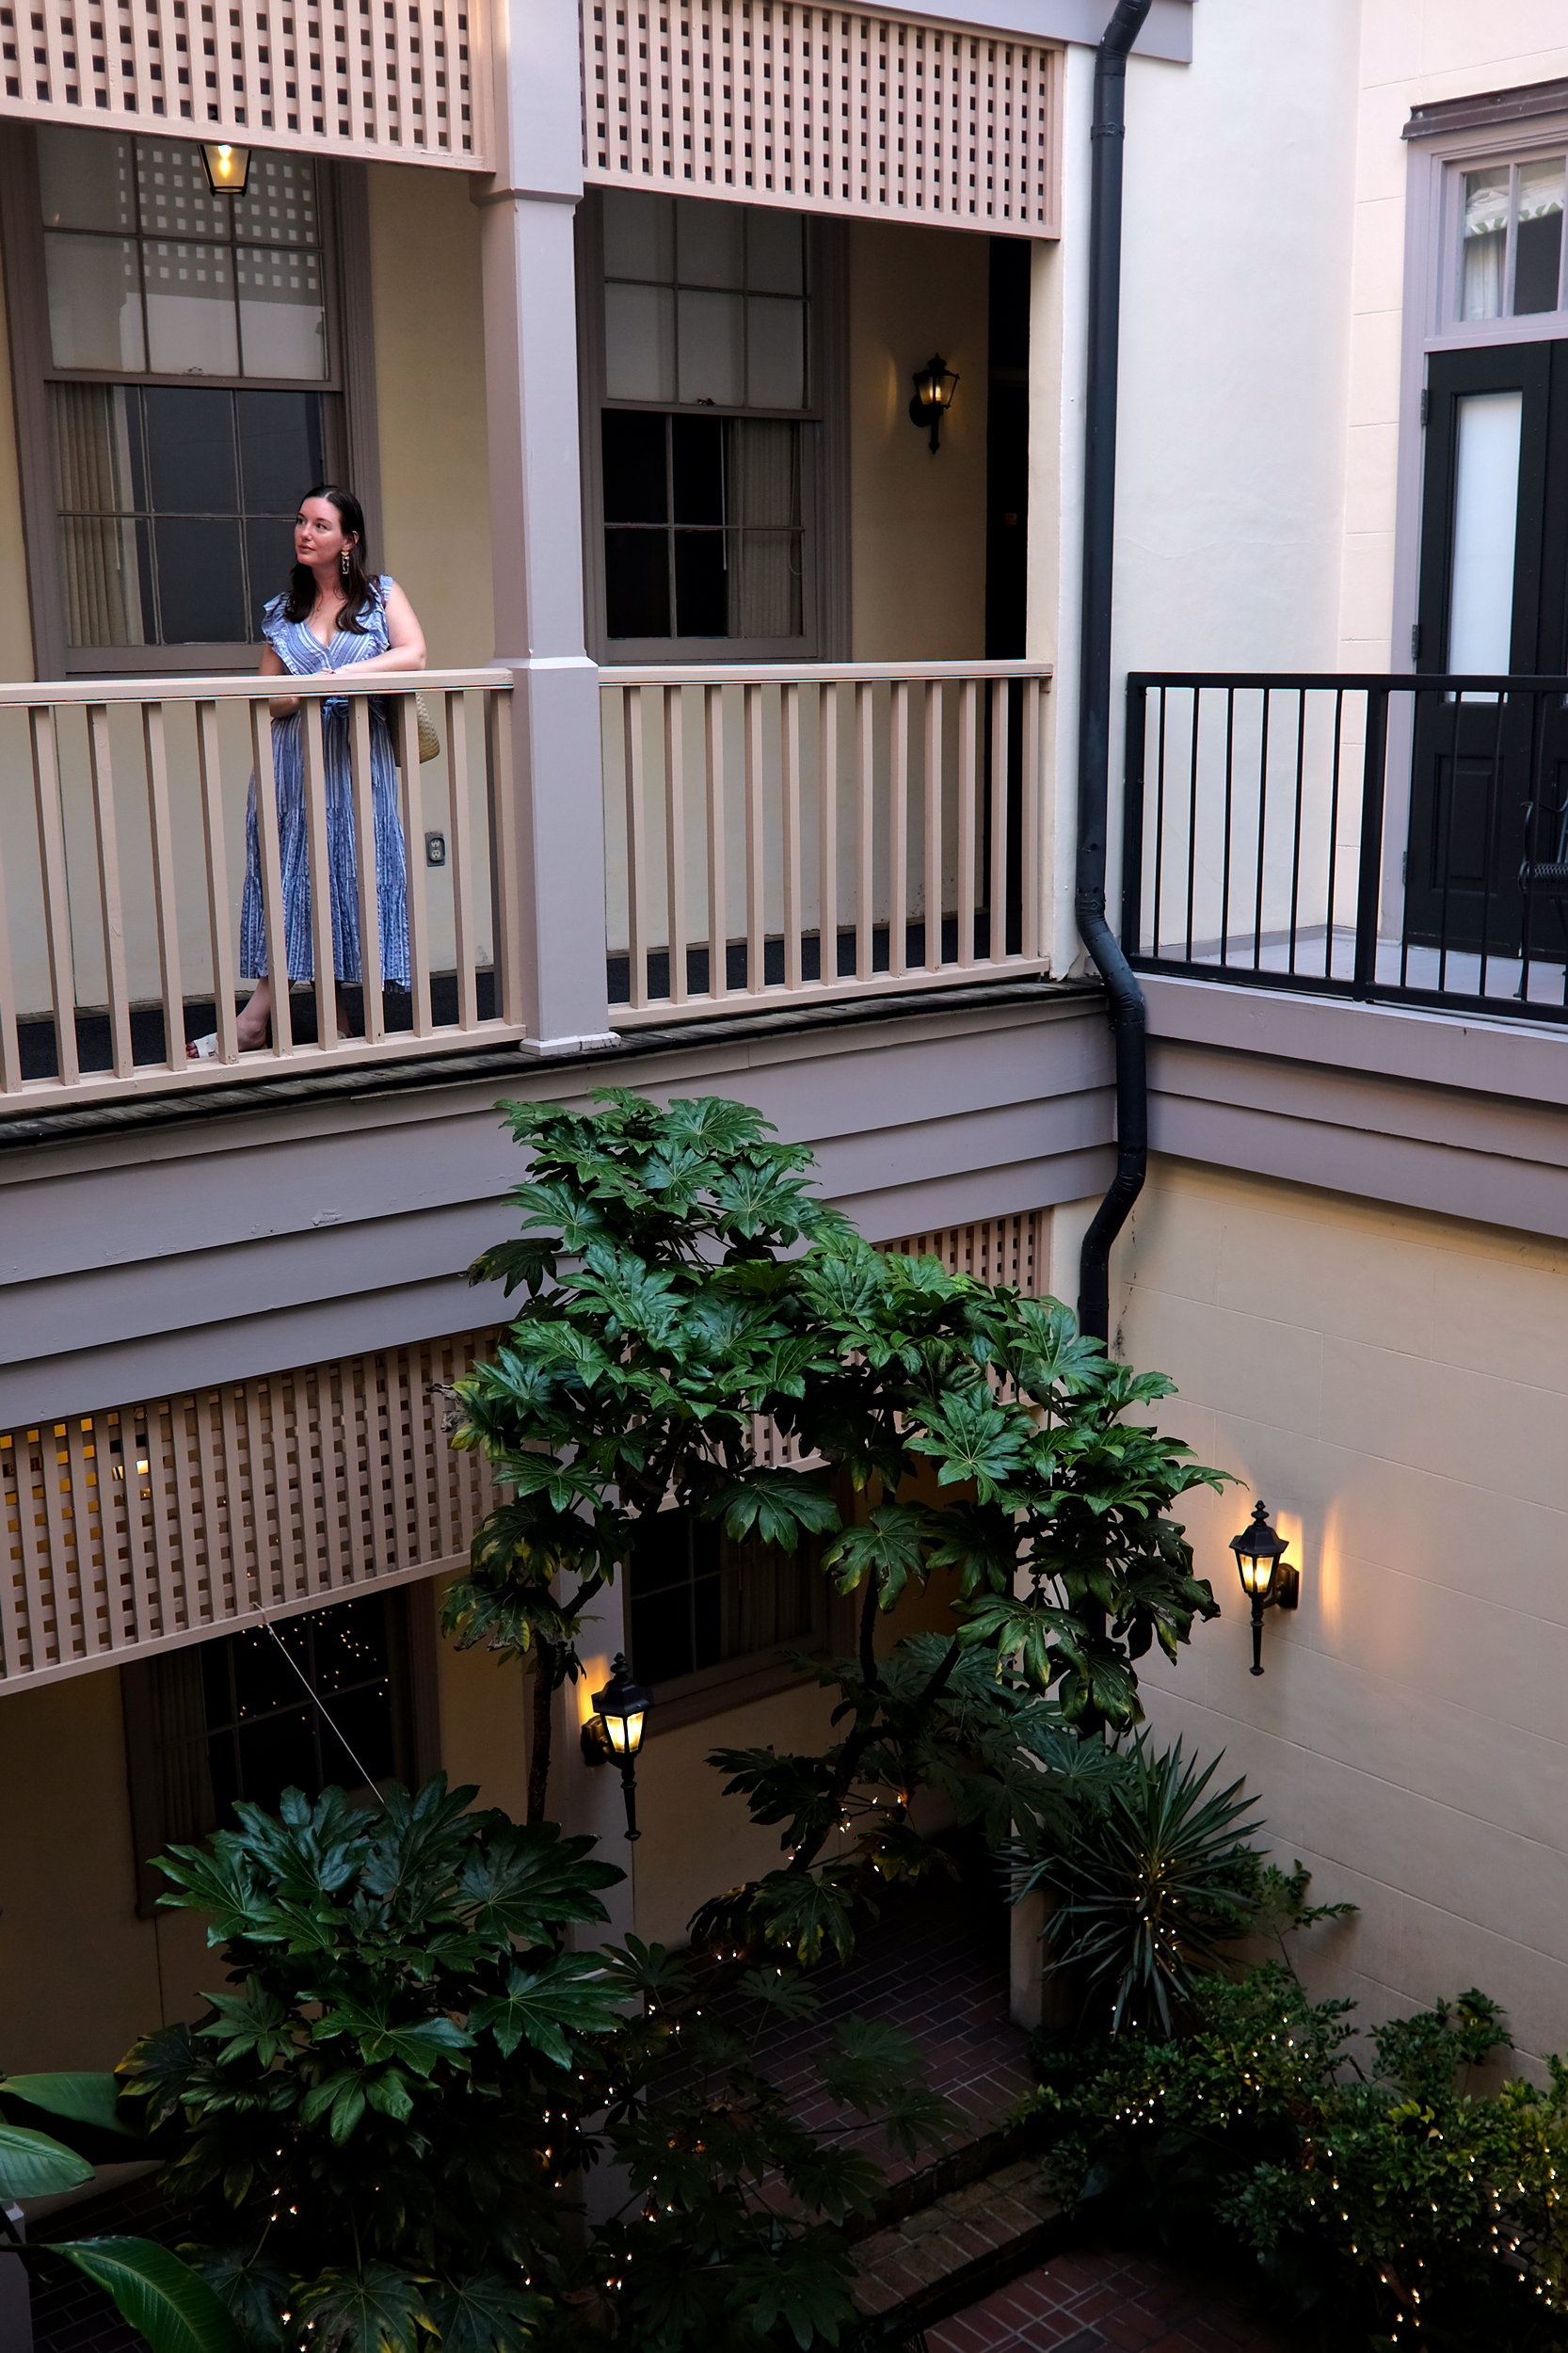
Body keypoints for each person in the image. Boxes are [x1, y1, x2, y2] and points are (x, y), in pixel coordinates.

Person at [188, 486, 426, 1057]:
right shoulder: (284, 609)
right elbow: (272, 700)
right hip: (292, 764)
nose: (305, 533)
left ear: (349, 540)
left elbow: (414, 654)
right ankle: (315, 1016)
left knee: (344, 871)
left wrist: (334, 679)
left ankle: (270, 1018)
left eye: (321, 525)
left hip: (353, 761)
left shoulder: (380, 596)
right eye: (301, 522)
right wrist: (301, 690)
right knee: (290, 877)